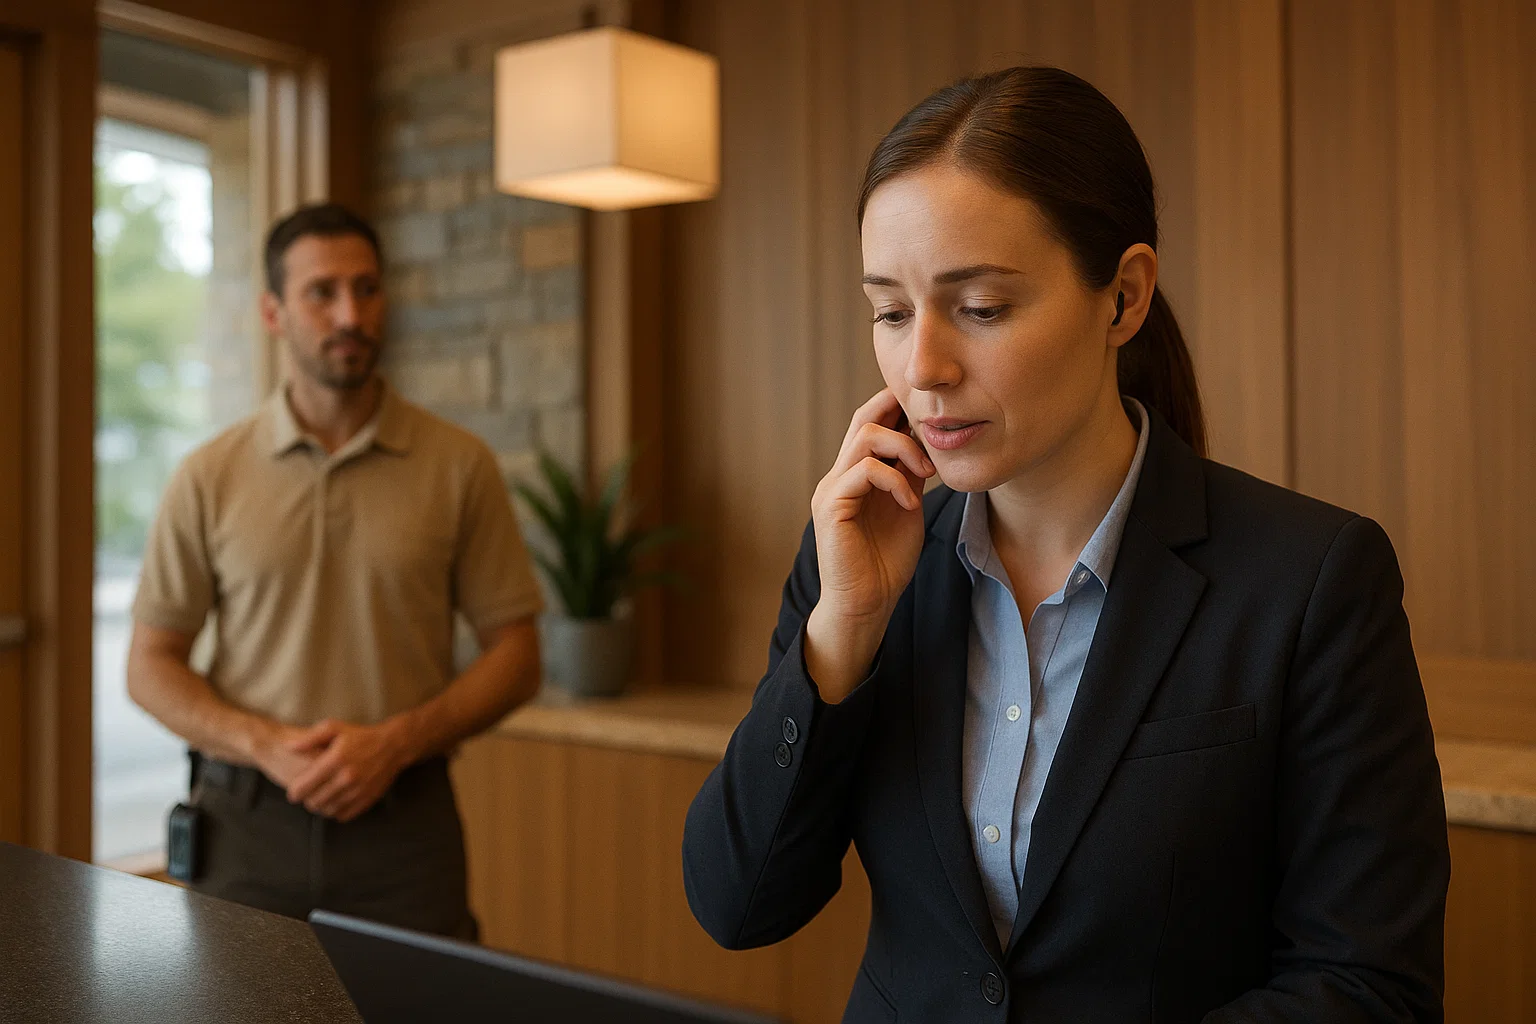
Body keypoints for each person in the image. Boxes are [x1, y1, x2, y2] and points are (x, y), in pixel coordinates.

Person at [682, 67, 1449, 1022]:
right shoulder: (860, 560)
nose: (923, 367)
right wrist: (840, 636)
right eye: (889, 311)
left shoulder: (1311, 579)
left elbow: (1373, 988)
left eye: (982, 308)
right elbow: (738, 904)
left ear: (1123, 298)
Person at [128, 202, 544, 938]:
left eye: (367, 288)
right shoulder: (209, 474)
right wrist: (263, 744)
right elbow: (150, 665)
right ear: (273, 311)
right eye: (322, 292)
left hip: (407, 829)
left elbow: (516, 655)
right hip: (244, 825)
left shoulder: (459, 465)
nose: (350, 313)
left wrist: (397, 742)